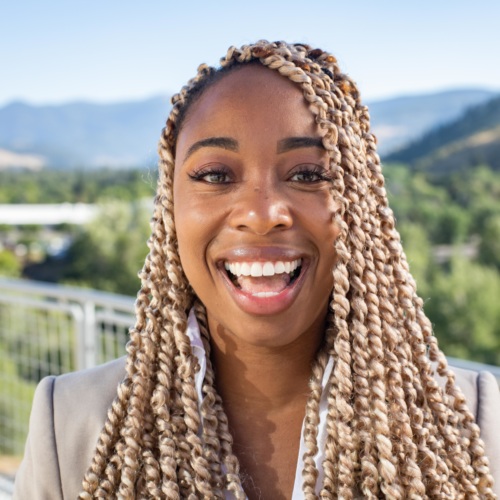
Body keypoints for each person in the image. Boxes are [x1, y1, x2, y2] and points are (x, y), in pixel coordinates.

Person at [14, 40, 500, 499]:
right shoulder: (69, 423)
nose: (262, 213)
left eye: (308, 174)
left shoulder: (474, 420)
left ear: (363, 205)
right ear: (169, 212)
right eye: (216, 175)